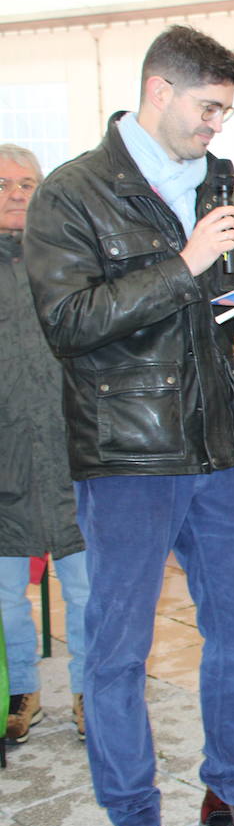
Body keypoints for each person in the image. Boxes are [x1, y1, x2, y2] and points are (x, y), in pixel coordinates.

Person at [22, 26, 234, 826]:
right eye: (208, 108)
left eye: (226, 112)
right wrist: (183, 261)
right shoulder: (72, 192)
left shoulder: (216, 181)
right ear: (159, 90)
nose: (217, 126)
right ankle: (135, 820)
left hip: (219, 446)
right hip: (128, 456)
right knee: (117, 650)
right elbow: (69, 322)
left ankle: (231, 794)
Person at [0, 143, 89, 746]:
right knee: (5, 591)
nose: (16, 194)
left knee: (88, 588)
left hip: (71, 452)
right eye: (3, 184)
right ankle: (19, 689)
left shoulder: (62, 260)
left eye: (27, 184)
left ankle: (90, 693)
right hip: (5, 458)